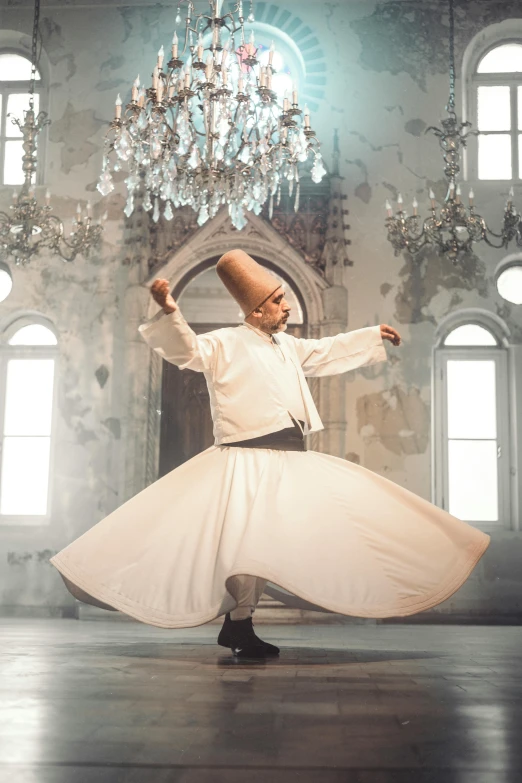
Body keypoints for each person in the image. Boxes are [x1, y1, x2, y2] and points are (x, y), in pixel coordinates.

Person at [50, 249, 490, 658]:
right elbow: (187, 350)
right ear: (257, 309)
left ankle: (242, 623)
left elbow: (327, 349)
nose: (288, 307)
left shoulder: (289, 347)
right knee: (242, 546)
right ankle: (238, 622)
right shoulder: (224, 342)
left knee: (304, 532)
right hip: (244, 459)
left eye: (284, 299)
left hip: (288, 458)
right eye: (279, 301)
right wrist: (169, 312)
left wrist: (371, 335)